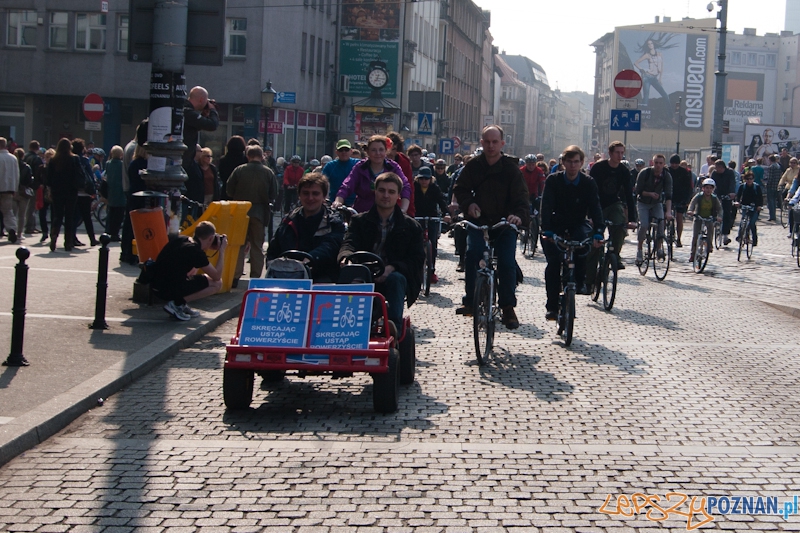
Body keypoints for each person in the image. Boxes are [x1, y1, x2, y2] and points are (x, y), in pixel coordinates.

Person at [452, 125, 529, 329]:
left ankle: (507, 307)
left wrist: (517, 216)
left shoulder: (511, 169)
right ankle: (470, 299)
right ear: (482, 143)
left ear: (502, 144)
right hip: (479, 221)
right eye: (487, 141)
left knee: (506, 261)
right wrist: (469, 204)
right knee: (473, 254)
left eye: (495, 142)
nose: (491, 145)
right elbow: (460, 188)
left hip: (505, 223)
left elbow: (522, 198)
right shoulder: (473, 166)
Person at [337, 172, 425, 328]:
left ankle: (393, 328)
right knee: (352, 277)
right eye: (382, 190)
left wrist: (392, 268)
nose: (386, 195)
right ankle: (348, 326)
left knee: (395, 279)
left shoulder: (411, 227)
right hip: (364, 271)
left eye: (391, 192)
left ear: (398, 195)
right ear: (375, 192)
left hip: (394, 275)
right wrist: (346, 257)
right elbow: (349, 243)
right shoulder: (359, 221)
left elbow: (416, 259)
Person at [540, 145, 604, 321]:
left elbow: (595, 207)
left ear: (582, 163)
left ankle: (580, 282)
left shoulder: (588, 182)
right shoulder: (553, 180)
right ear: (563, 163)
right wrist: (546, 229)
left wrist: (599, 231)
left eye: (577, 162)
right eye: (570, 162)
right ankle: (552, 306)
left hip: (578, 223)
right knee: (553, 264)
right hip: (555, 224)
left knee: (583, 246)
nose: (573, 165)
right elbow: (546, 206)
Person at [267, 172, 345, 282]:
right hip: (288, 276)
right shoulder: (288, 220)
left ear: (324, 196)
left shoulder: (333, 222)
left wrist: (309, 259)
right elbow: (274, 249)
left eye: (315, 193)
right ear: (299, 195)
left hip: (322, 277)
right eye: (306, 193)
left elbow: (331, 246)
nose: (310, 198)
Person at [152, 221, 227, 321]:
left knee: (193, 271)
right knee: (217, 284)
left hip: (156, 285)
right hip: (167, 290)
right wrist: (221, 251)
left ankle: (180, 304)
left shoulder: (182, 239)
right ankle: (177, 304)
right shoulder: (195, 252)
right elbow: (216, 276)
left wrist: (208, 246)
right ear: (210, 238)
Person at [226, 145, 279, 283]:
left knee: (239, 244)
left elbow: (229, 190)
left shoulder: (239, 170)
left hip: (240, 211)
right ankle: (255, 277)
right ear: (262, 156)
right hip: (260, 212)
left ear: (247, 156)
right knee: (257, 245)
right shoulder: (268, 172)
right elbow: (274, 193)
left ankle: (235, 276)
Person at [586, 141, 636, 280]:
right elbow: (590, 192)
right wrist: (590, 216)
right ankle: (589, 280)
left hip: (614, 203)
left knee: (620, 227)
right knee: (594, 243)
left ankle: (615, 254)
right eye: (617, 152)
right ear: (610, 153)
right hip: (597, 205)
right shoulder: (598, 168)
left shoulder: (624, 171)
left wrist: (632, 219)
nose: (620, 155)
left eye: (622, 153)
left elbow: (628, 195)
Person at [332, 135, 411, 214]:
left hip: (388, 213)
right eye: (373, 150)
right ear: (368, 151)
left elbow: (405, 186)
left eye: (381, 150)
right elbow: (347, 185)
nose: (378, 153)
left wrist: (403, 210)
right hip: (363, 215)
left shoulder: (393, 167)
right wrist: (338, 201)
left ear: (386, 151)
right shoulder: (360, 167)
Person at [413, 166, 451, 283]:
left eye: (427, 178)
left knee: (433, 244)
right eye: (422, 178)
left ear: (431, 179)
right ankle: (414, 270)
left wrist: (446, 213)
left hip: (431, 217)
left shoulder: (434, 188)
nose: (424, 181)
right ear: (418, 179)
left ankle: (432, 270)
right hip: (417, 216)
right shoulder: (414, 188)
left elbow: (441, 201)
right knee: (415, 243)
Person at [634, 153, 673, 264]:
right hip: (643, 202)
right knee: (644, 224)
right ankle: (640, 250)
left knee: (661, 223)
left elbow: (669, 195)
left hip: (657, 203)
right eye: (656, 163)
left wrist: (668, 212)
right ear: (652, 162)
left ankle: (659, 248)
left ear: (664, 164)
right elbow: (638, 191)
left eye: (661, 163)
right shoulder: (644, 173)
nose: (658, 165)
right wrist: (650, 194)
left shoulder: (666, 176)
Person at [46, 138, 82, 251]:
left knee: (58, 215)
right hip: (71, 191)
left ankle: (54, 237)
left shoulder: (53, 160)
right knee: (69, 216)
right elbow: (79, 174)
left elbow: (48, 178)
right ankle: (68, 242)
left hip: (57, 191)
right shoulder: (74, 159)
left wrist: (50, 190)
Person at [686, 178, 723, 262]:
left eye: (711, 188)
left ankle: (709, 245)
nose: (708, 190)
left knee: (710, 231)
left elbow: (719, 208)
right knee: (695, 235)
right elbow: (692, 203)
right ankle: (693, 254)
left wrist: (719, 216)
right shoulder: (699, 196)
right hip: (698, 217)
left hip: (709, 218)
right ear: (703, 188)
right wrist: (690, 211)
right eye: (707, 188)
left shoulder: (714, 198)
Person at [182, 86, 219, 169]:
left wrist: (203, 116)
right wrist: (213, 110)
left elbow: (191, 127)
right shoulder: (188, 113)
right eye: (206, 101)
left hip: (184, 158)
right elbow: (212, 125)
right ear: (201, 100)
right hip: (184, 159)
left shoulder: (184, 110)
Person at [71, 138, 98, 247]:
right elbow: (90, 177)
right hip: (85, 193)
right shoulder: (85, 160)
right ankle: (92, 238)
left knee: (74, 217)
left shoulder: (70, 160)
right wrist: (93, 191)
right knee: (87, 218)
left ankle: (72, 238)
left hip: (74, 193)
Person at [709, 158, 737, 243]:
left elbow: (732, 183)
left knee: (727, 213)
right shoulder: (714, 173)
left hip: (727, 194)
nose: (717, 170)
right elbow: (712, 183)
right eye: (716, 168)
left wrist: (731, 193)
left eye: (719, 168)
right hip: (717, 193)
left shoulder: (730, 172)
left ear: (723, 167)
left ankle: (725, 235)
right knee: (712, 210)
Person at [668, 154, 693, 247]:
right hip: (669, 196)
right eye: (672, 163)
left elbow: (689, 187)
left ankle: (678, 238)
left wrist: (687, 200)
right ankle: (661, 235)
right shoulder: (667, 170)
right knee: (663, 216)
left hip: (680, 197)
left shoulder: (685, 172)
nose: (674, 165)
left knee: (679, 217)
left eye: (676, 163)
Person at [322, 139, 359, 203]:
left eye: (346, 150)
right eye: (341, 150)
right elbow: (321, 183)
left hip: (356, 203)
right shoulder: (330, 166)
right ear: (336, 152)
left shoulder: (358, 164)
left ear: (351, 151)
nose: (344, 152)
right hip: (335, 203)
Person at [734, 171, 763, 247]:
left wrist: (759, 206)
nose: (749, 180)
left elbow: (760, 198)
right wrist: (737, 202)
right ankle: (740, 236)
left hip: (755, 207)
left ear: (753, 179)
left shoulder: (756, 187)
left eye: (751, 179)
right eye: (747, 179)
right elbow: (738, 196)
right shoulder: (742, 186)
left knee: (752, 223)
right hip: (745, 206)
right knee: (743, 221)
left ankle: (754, 239)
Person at [104, 145, 126, 241]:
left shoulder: (108, 163)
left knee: (110, 213)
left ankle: (108, 231)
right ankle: (115, 234)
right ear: (121, 154)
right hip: (120, 192)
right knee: (118, 215)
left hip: (111, 191)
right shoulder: (122, 165)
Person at [0, 137, 20, 243]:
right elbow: (17, 175)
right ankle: (12, 228)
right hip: (8, 188)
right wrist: (15, 188)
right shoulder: (13, 158)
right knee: (8, 211)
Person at [23, 141, 43, 235]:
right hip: (33, 185)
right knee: (32, 206)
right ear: (37, 148)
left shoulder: (25, 157)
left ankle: (32, 225)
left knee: (27, 206)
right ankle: (29, 226)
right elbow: (38, 173)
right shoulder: (36, 159)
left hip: (24, 184)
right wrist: (40, 183)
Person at [218, 136, 247, 201]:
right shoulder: (245, 159)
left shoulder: (223, 160)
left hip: (226, 190)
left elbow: (221, 175)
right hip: (242, 191)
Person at [13, 148, 33, 240]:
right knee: (22, 215)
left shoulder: (13, 166)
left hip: (13, 191)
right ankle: (19, 233)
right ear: (23, 156)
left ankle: (11, 231)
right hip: (23, 192)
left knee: (12, 214)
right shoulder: (26, 167)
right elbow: (29, 180)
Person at [764, 154, 782, 222]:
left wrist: (767, 184)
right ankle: (773, 215)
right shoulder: (778, 166)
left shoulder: (771, 167)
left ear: (770, 160)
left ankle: (772, 216)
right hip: (776, 186)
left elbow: (770, 178)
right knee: (774, 201)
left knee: (770, 201)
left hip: (771, 186)